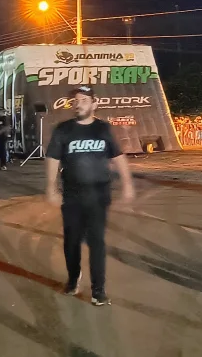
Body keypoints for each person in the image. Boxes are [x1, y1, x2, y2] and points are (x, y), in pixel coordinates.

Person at [45, 85, 136, 306]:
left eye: (84, 100)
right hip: (72, 195)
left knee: (97, 242)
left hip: (98, 195)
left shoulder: (103, 129)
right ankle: (73, 278)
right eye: (75, 100)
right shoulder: (63, 129)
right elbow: (53, 158)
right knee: (72, 241)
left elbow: (119, 157)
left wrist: (127, 185)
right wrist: (51, 187)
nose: (79, 104)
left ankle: (98, 290)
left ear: (94, 104)